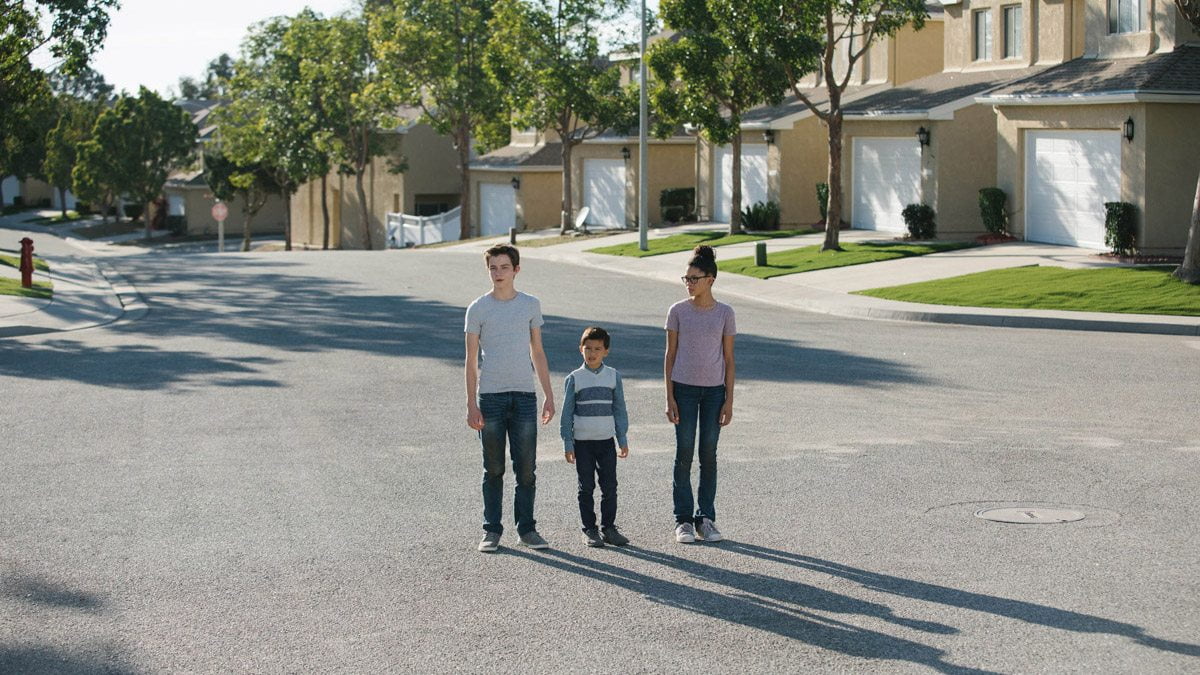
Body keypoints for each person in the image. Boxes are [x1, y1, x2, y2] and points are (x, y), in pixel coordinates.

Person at [465, 244, 556, 553]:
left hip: (524, 397)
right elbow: (470, 359)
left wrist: (548, 394)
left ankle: (527, 529)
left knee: (527, 469)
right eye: (493, 267)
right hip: (490, 397)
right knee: (493, 468)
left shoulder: (530, 305)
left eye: (504, 267)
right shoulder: (478, 308)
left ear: (516, 270)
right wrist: (471, 403)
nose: (498, 273)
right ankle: (491, 530)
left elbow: (538, 351)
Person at [664, 245, 736, 544]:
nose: (689, 283)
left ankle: (705, 518)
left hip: (714, 394)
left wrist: (729, 399)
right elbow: (670, 355)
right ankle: (682, 520)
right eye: (686, 278)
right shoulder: (677, 311)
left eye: (694, 278)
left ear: (711, 279)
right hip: (684, 390)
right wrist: (669, 396)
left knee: (709, 455)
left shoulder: (725, 313)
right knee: (684, 454)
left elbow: (729, 359)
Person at [560, 326, 631, 548]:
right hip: (583, 443)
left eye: (597, 349)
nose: (592, 353)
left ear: (606, 351)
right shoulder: (575, 378)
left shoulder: (613, 376)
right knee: (586, 486)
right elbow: (566, 414)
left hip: (606, 441)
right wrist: (568, 442)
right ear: (581, 349)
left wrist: (622, 439)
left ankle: (609, 528)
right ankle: (589, 529)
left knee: (610, 485)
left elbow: (619, 410)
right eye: (588, 348)